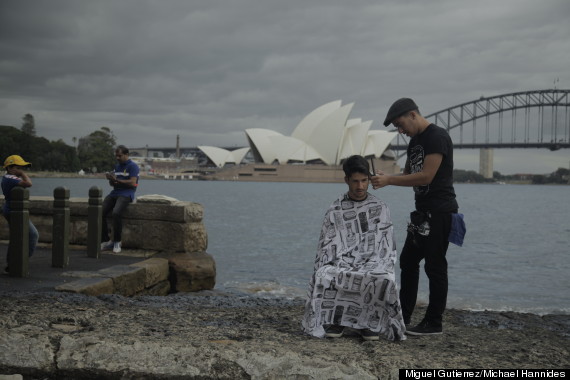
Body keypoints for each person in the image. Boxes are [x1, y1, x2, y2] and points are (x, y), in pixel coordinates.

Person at [371, 98, 461, 336]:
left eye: (401, 125)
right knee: (408, 262)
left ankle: (434, 323)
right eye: (396, 128)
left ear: (412, 114)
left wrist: (390, 181)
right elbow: (409, 175)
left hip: (441, 211)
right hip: (421, 213)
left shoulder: (437, 137)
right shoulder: (415, 143)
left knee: (435, 266)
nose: (400, 131)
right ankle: (404, 316)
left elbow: (426, 176)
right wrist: (387, 176)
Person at [302, 155, 406, 342]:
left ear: (369, 179)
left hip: (373, 260)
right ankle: (337, 319)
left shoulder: (380, 207)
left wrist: (375, 262)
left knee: (383, 277)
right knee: (325, 274)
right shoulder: (335, 209)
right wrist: (337, 262)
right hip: (342, 260)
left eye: (364, 181)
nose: (360, 186)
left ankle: (369, 323)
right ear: (346, 180)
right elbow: (326, 246)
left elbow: (387, 246)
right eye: (355, 181)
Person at [2, 155, 39, 273]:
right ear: (10, 167)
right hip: (14, 211)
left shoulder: (8, 178)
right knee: (33, 235)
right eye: (19, 167)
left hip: (11, 210)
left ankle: (11, 263)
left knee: (16, 237)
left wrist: (20, 172)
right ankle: (19, 260)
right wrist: (22, 174)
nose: (21, 170)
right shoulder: (10, 178)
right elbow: (29, 183)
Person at [100, 145, 139, 254]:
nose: (117, 158)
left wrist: (117, 180)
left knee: (116, 213)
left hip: (127, 194)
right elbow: (113, 184)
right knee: (100, 212)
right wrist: (111, 179)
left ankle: (117, 241)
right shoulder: (117, 167)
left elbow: (132, 182)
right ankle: (105, 241)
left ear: (126, 155)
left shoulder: (133, 166)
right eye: (116, 156)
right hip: (115, 193)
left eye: (120, 156)